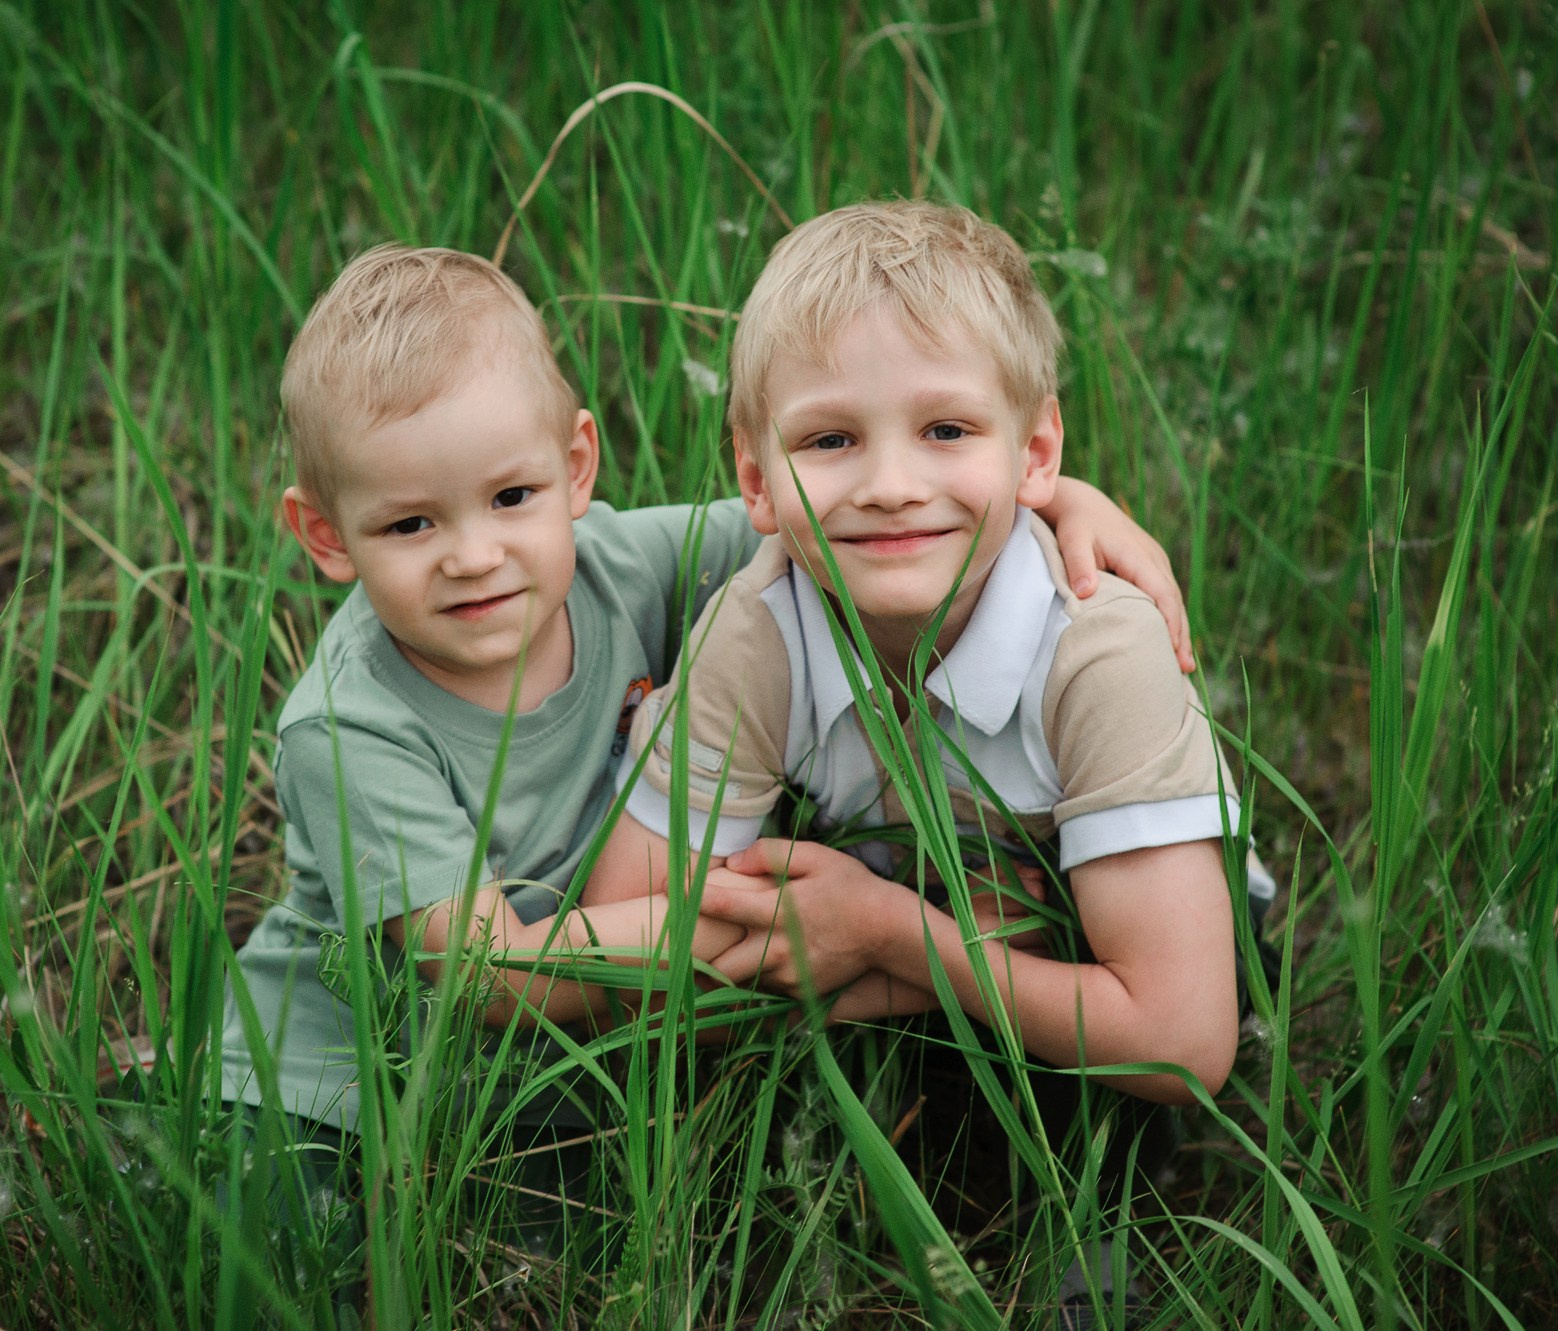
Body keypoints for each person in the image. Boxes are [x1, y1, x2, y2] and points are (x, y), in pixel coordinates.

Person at [216, 242, 1195, 1259]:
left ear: (573, 467)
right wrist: (765, 926)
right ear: (326, 535)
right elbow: (487, 976)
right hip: (334, 1094)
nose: (474, 553)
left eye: (510, 497)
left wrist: (1063, 502)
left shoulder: (619, 566)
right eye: (410, 522)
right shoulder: (350, 725)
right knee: (302, 1264)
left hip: (572, 1082)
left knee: (611, 1243)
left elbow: (855, 516)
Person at [591, 201, 1275, 1290]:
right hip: (893, 904)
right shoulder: (754, 629)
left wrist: (888, 940)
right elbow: (633, 946)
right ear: (756, 479)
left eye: (946, 430)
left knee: (1088, 1167)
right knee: (755, 1162)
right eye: (829, 439)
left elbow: (1182, 1039)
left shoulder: (1094, 650)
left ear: (1034, 450)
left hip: (1123, 944)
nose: (890, 484)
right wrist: (869, 940)